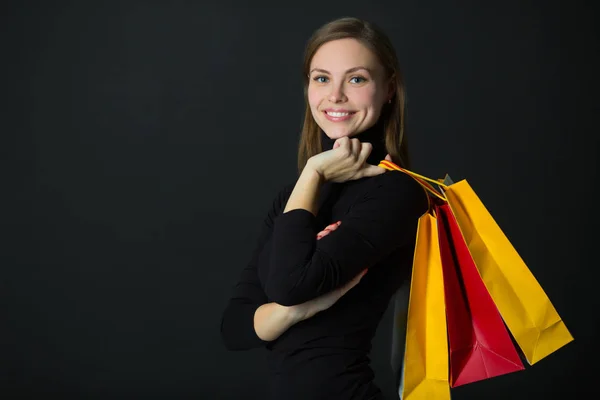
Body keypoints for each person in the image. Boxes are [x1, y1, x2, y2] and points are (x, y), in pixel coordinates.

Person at [220, 17, 428, 400]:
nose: (334, 96)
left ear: (389, 89)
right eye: (321, 78)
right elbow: (234, 327)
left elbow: (288, 284)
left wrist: (314, 172)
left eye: (356, 79)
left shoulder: (397, 193)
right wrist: (292, 313)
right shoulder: (297, 195)